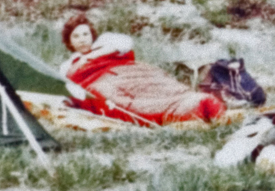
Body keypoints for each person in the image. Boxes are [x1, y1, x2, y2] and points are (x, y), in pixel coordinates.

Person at [58, 13, 223, 125]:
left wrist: (93, 56)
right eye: (76, 36)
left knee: (159, 83)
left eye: (85, 34)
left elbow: (126, 43)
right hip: (101, 83)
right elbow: (65, 89)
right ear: (69, 42)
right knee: (121, 100)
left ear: (92, 35)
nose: (82, 40)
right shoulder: (68, 65)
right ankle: (186, 110)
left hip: (129, 72)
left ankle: (198, 101)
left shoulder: (105, 41)